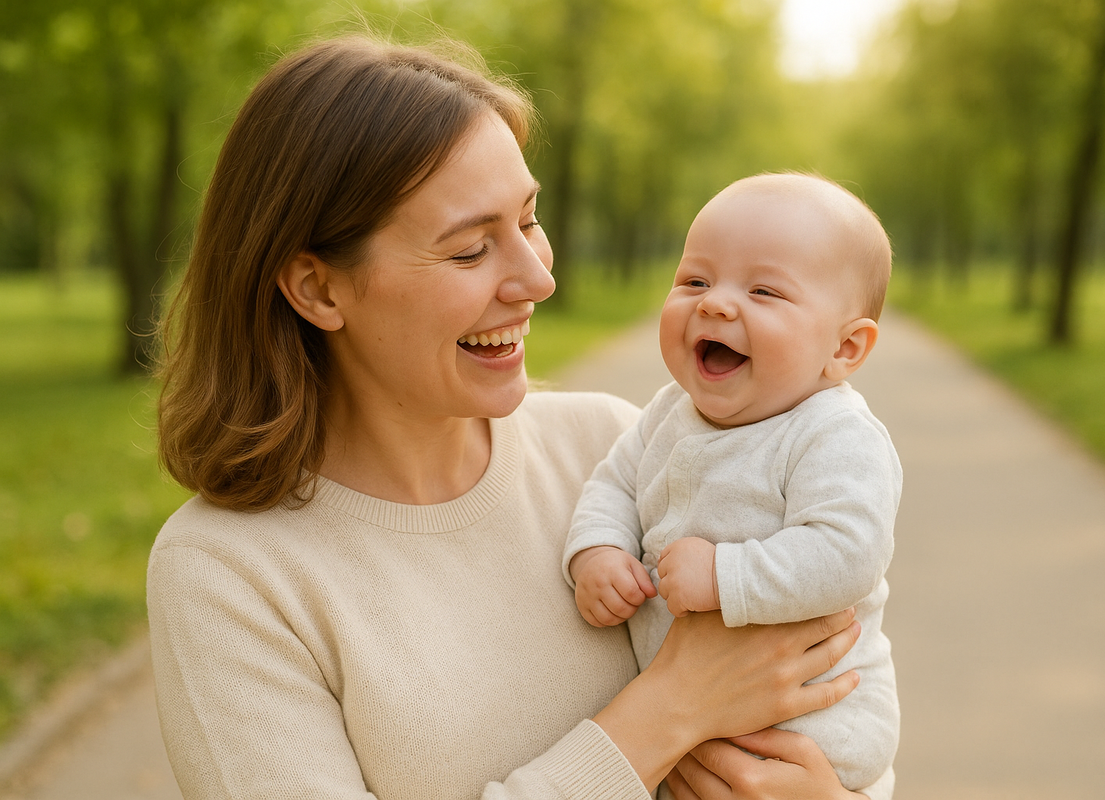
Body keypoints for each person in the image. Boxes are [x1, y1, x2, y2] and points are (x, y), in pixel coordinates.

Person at [148, 35, 873, 800]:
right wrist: (665, 713)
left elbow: (836, 698)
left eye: (528, 221)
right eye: (470, 251)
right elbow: (685, 702)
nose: (537, 278)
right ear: (319, 290)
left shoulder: (617, 447)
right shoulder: (227, 575)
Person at [564, 173, 902, 799]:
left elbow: (849, 552)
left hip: (809, 727)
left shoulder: (833, 434)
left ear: (846, 347)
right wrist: (599, 550)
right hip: (689, 726)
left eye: (765, 291)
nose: (715, 303)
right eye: (694, 280)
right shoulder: (669, 410)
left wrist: (726, 574)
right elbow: (613, 485)